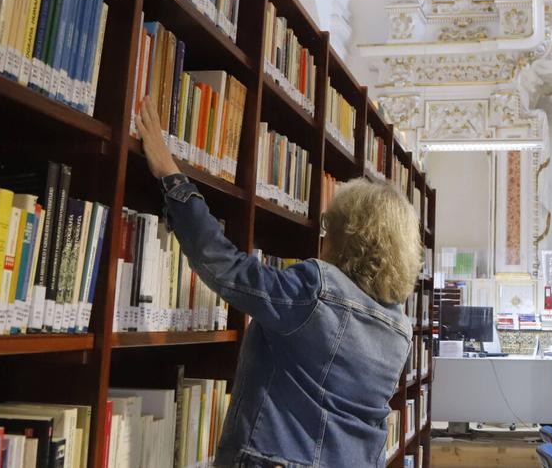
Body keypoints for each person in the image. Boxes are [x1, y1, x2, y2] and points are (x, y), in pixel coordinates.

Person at [134, 97, 421, 468]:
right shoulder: (400, 328)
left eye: (328, 227)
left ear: (349, 236)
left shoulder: (315, 293)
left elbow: (226, 267)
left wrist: (171, 176)